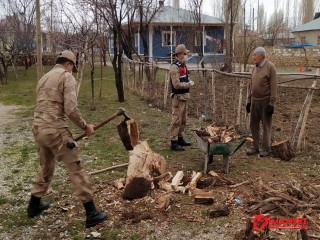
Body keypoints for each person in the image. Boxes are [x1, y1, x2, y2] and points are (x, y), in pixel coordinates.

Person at [27, 50, 107, 228]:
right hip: (55, 130)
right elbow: (71, 109)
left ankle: (33, 205)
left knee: (46, 166)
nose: (72, 70)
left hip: (38, 128)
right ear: (69, 64)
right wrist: (85, 127)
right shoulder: (66, 76)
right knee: (76, 168)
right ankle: (91, 213)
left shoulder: (44, 77)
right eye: (73, 67)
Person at [246, 47, 277, 157]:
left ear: (261, 56)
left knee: (266, 125)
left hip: (265, 101)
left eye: (255, 55)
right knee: (253, 125)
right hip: (255, 101)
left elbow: (274, 86)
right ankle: (255, 147)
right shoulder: (255, 68)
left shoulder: (270, 67)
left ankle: (266, 148)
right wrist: (249, 101)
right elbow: (251, 85)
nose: (253, 57)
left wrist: (271, 103)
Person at [169, 44, 194, 151]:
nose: (186, 55)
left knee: (183, 120)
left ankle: (180, 138)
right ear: (180, 54)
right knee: (176, 120)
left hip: (184, 96)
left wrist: (188, 82)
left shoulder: (183, 65)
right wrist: (189, 84)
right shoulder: (175, 67)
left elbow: (184, 79)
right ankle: (173, 142)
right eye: (185, 54)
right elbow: (176, 85)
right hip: (178, 98)